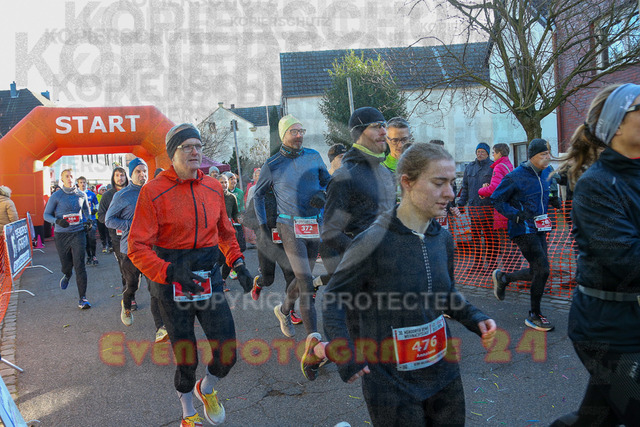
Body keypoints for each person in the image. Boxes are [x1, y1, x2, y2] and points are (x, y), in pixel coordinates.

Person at [321, 143, 497, 426]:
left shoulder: (443, 239)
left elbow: (445, 294)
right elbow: (333, 299)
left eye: (452, 183)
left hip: (444, 375)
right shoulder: (371, 241)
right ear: (407, 182)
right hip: (391, 384)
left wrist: (475, 317)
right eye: (439, 183)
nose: (450, 193)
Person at [128, 123, 254, 426]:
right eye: (187, 146)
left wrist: (238, 263)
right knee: (187, 358)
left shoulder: (212, 187)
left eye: (198, 146)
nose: (195, 151)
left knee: (227, 352)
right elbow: (136, 247)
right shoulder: (152, 191)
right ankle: (187, 411)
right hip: (172, 282)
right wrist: (169, 271)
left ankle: (206, 388)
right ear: (173, 154)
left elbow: (225, 232)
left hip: (208, 277)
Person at [550, 83, 640, 426]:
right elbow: (629, 261)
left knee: (595, 419)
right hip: (608, 330)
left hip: (630, 322)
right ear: (616, 125)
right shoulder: (597, 184)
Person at [252, 114, 331, 379]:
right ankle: (314, 343)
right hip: (288, 224)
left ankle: (284, 310)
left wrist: (323, 195)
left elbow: (328, 182)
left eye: (301, 130)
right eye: (293, 131)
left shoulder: (314, 156)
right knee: (306, 280)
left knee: (302, 277)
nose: (299, 135)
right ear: (283, 135)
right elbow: (258, 195)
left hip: (313, 224)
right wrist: (263, 225)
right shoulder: (273, 164)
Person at [318, 107, 396, 294]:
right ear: (359, 133)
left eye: (384, 126)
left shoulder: (385, 172)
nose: (384, 132)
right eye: (376, 126)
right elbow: (330, 231)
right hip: (360, 275)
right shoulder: (345, 176)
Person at [491, 138, 555, 331]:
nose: (547, 157)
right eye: (543, 154)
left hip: (540, 227)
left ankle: (504, 278)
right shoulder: (515, 176)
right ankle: (534, 315)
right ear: (532, 156)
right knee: (542, 269)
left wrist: (555, 200)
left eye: (548, 153)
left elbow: (548, 191)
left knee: (538, 271)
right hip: (522, 229)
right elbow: (497, 199)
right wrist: (515, 215)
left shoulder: (547, 172)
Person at [105, 158, 148, 323]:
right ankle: (127, 305)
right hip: (130, 247)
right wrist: (132, 224)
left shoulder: (152, 191)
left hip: (151, 247)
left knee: (156, 288)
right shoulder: (121, 195)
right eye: (138, 171)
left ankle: (161, 325)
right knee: (132, 284)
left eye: (144, 171)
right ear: (131, 174)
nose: (142, 174)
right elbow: (109, 220)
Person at [43, 168, 93, 309]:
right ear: (62, 179)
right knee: (66, 264)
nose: (69, 178)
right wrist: (57, 221)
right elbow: (46, 215)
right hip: (62, 235)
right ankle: (67, 273)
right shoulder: (56, 196)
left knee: (80, 265)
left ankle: (83, 298)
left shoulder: (81, 194)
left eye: (71, 176)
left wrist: (88, 221)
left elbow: (86, 210)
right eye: (67, 176)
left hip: (78, 233)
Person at [450, 142, 493, 273]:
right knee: (476, 238)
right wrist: (461, 204)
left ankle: (491, 263)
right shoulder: (470, 167)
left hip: (488, 208)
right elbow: (465, 187)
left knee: (490, 238)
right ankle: (478, 263)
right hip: (474, 208)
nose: (480, 154)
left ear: (487, 154)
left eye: (482, 152)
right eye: (478, 152)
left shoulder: (492, 167)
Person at [477, 143, 514, 271]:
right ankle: (513, 269)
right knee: (511, 243)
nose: (493, 155)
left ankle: (508, 272)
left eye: (494, 153)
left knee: (505, 244)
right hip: (510, 207)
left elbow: (494, 188)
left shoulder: (498, 167)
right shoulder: (509, 165)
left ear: (499, 153)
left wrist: (481, 191)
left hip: (502, 210)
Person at [76, 176, 99, 266]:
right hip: (81, 220)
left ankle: (94, 255)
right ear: (78, 184)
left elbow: (96, 203)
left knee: (92, 238)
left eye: (84, 182)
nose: (83, 184)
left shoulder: (91, 194)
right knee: (84, 240)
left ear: (86, 183)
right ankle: (89, 256)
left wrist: (95, 209)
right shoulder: (76, 194)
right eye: (81, 182)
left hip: (91, 219)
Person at [95, 185, 111, 253]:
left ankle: (110, 245)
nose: (104, 191)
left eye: (105, 189)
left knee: (109, 232)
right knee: (102, 232)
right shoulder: (96, 197)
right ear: (99, 191)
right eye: (102, 190)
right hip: (99, 217)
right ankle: (104, 245)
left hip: (108, 217)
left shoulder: (108, 196)